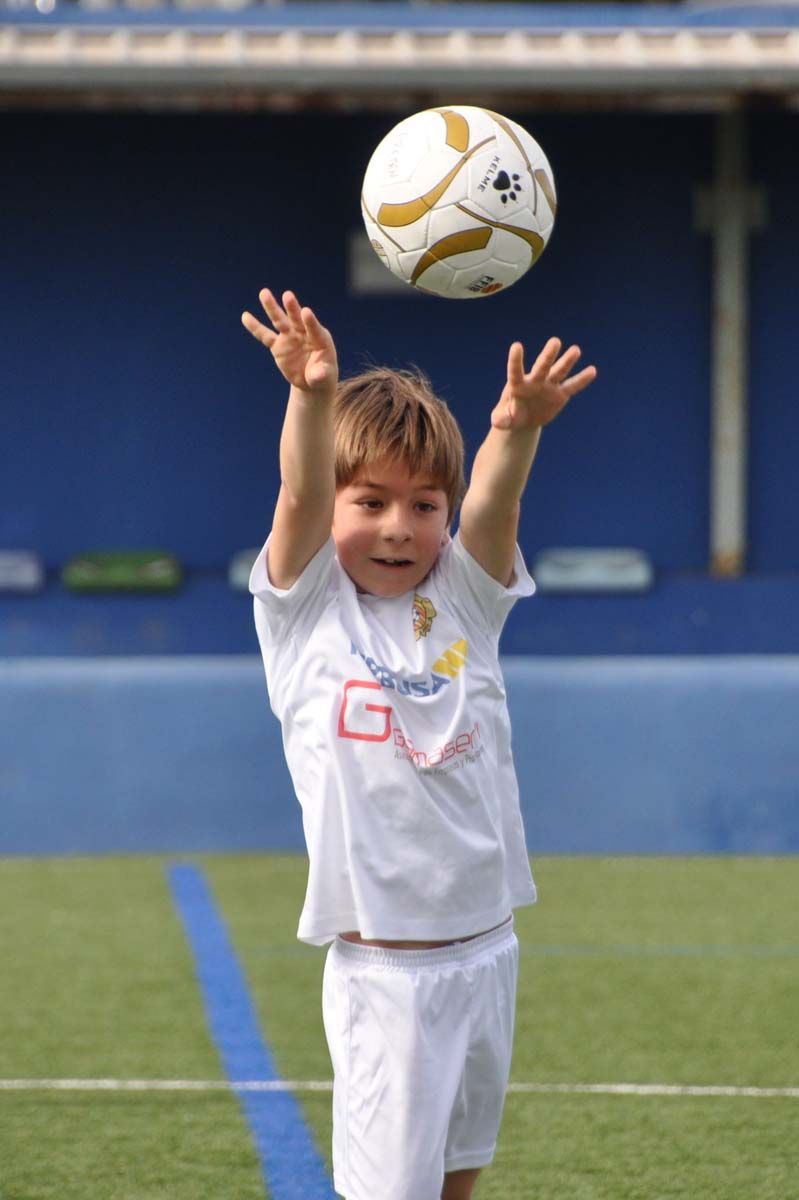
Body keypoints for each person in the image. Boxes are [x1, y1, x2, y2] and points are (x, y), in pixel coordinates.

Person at [241, 288, 597, 1200]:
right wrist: (312, 396)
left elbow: (493, 509)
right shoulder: (306, 610)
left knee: (452, 1178)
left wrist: (516, 429)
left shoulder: (464, 601)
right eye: (371, 502)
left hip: (485, 949)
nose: (399, 526)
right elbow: (297, 492)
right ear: (335, 506)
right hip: (385, 972)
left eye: (422, 504)